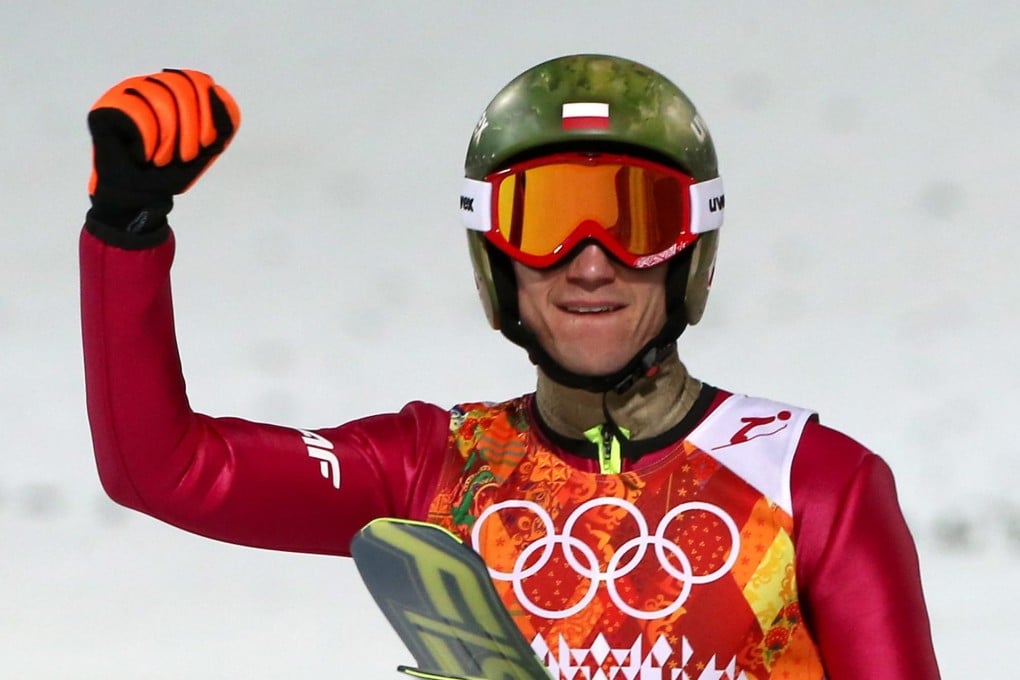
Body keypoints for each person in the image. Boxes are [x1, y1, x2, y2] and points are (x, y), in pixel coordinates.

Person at [79, 56, 941, 679]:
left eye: (634, 220)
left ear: (691, 250)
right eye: (545, 219)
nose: (590, 262)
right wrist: (127, 231)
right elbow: (167, 469)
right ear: (496, 258)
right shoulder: (437, 468)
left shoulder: (817, 485)